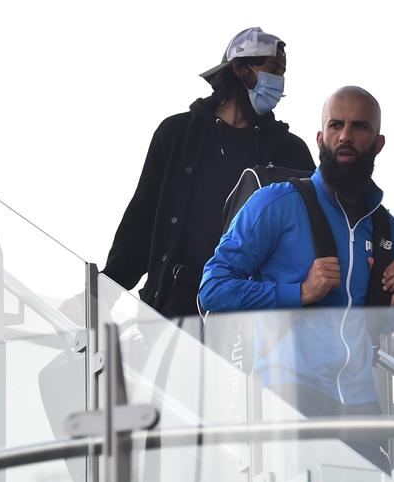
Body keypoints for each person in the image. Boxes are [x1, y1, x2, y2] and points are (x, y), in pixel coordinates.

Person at [200, 86, 394, 473]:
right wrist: (299, 292)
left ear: (378, 143)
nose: (345, 135)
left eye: (358, 126)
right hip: (287, 393)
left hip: (361, 406)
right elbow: (212, 288)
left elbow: (374, 325)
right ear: (321, 137)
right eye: (336, 125)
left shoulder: (385, 226)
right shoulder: (277, 203)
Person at [101, 27, 315, 318]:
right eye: (273, 70)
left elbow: (315, 229)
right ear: (240, 68)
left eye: (282, 73)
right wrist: (105, 291)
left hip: (251, 316)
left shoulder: (290, 151)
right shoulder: (177, 134)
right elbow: (142, 218)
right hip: (172, 308)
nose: (278, 83)